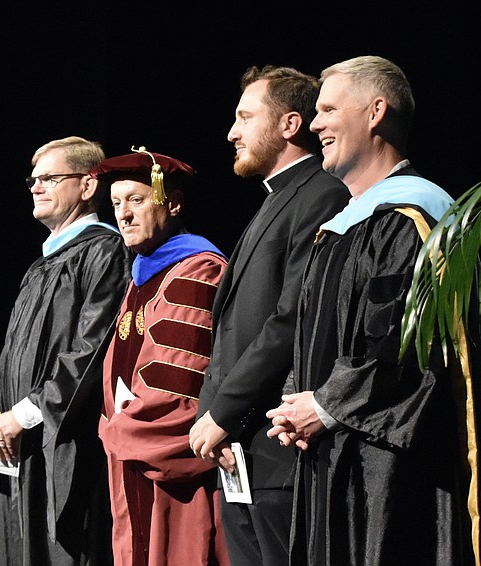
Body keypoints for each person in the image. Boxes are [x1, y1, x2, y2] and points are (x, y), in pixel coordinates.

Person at [264, 55, 481, 566]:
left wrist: (327, 406)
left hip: (391, 473)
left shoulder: (415, 217)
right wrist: (298, 402)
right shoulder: (343, 226)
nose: (314, 125)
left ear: (375, 111)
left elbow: (407, 345)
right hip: (334, 455)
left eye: (328, 109)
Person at [0, 136, 132, 565]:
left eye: (50, 178)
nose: (36, 187)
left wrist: (23, 414)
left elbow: (92, 352)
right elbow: (18, 356)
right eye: (34, 179)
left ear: (87, 186)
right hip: (20, 450)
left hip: (66, 448)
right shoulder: (40, 266)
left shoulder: (104, 252)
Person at [188, 65, 350, 566]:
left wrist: (223, 411)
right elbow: (235, 328)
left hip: (279, 446)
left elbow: (289, 321)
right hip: (240, 449)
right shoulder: (276, 200)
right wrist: (211, 414)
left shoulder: (321, 195)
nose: (232, 132)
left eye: (245, 117)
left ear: (289, 124)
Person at [95, 148, 230, 566]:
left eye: (136, 200)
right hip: (130, 457)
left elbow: (179, 386)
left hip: (168, 465)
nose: (124, 215)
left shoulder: (196, 269)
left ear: (171, 203)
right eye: (116, 203)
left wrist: (117, 432)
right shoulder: (140, 275)